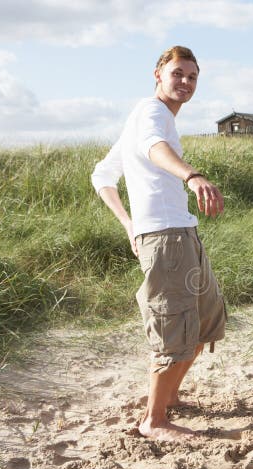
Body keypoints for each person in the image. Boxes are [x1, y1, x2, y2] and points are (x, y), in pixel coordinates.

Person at [91, 45, 226, 441]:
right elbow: (155, 149)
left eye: (192, 76)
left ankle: (169, 396)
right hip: (166, 238)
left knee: (203, 323)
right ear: (158, 74)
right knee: (174, 329)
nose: (185, 82)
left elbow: (102, 174)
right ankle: (155, 420)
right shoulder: (151, 113)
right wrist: (192, 175)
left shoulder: (149, 117)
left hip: (179, 233)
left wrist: (128, 224)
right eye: (177, 74)